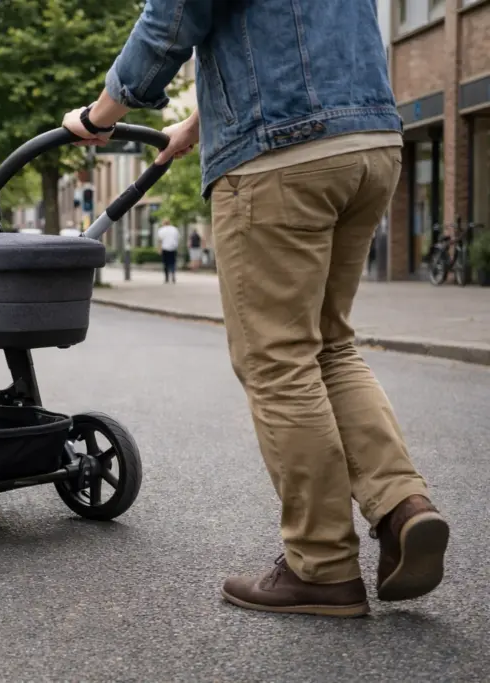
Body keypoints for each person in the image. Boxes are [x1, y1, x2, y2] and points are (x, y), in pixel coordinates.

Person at [62, 0, 448, 618]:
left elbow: (178, 11)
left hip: (280, 154)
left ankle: (320, 566)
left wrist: (101, 112)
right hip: (370, 141)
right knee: (330, 345)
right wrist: (201, 121)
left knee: (279, 362)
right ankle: (403, 506)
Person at [156, 219, 181, 283]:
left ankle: (166, 278)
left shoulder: (161, 230)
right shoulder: (174, 229)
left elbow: (160, 241)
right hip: (173, 248)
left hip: (165, 249)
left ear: (163, 223)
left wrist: (159, 249)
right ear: (169, 223)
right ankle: (173, 275)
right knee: (173, 262)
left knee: (165, 263)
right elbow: (178, 238)